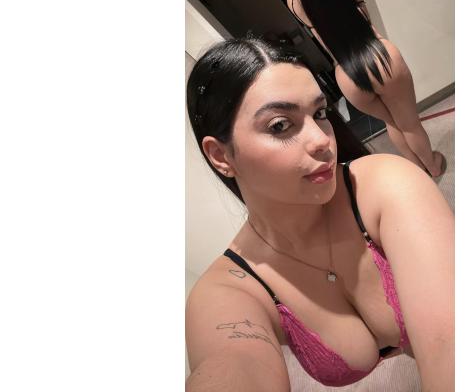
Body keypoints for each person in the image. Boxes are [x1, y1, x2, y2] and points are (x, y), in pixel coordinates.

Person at [185, 37, 454, 391]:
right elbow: (235, 365)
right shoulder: (229, 289)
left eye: (320, 114)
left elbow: (449, 340)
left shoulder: (384, 185)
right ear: (221, 156)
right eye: (280, 125)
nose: (322, 140)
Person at [282, 0, 446, 177]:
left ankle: (418, 171)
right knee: (409, 124)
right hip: (380, 58)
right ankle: (434, 166)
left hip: (347, 76)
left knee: (392, 123)